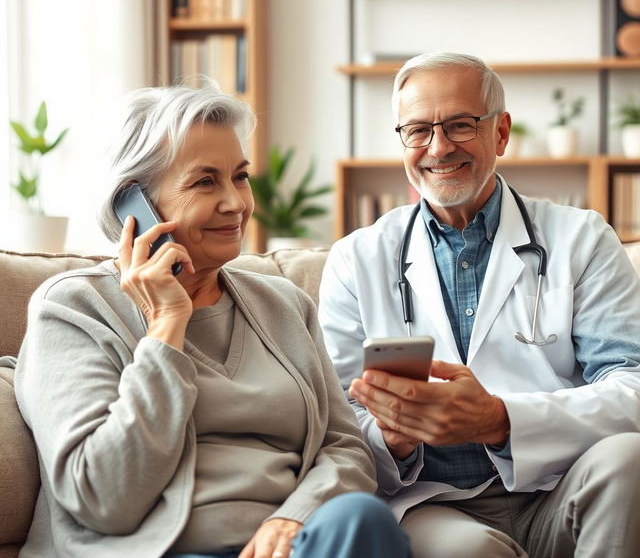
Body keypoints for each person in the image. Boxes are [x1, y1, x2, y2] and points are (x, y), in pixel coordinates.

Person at [11, 84, 411, 558]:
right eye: (205, 182)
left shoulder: (283, 303)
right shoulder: (74, 307)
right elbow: (100, 499)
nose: (236, 203)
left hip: (297, 546)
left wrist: (294, 516)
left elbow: (346, 449)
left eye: (239, 177)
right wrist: (165, 328)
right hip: (160, 550)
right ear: (132, 205)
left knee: (362, 519)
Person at [318, 52, 640, 558]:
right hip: (437, 504)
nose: (438, 148)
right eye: (418, 130)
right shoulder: (356, 258)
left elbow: (633, 387)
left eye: (460, 125)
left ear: (501, 132)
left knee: (631, 459)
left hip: (560, 485)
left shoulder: (582, 238)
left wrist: (499, 418)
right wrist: (391, 439)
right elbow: (337, 417)